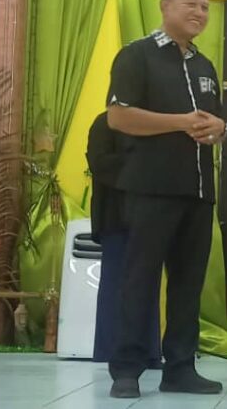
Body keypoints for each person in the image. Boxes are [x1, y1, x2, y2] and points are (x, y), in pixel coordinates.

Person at [104, 0, 226, 399]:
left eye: (205, 7)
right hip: (152, 189)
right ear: (164, 6)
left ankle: (180, 368)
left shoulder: (205, 65)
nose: (200, 13)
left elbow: (211, 122)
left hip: (198, 191)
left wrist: (219, 129)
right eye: (191, 4)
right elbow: (118, 117)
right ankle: (127, 369)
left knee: (188, 285)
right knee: (140, 280)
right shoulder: (136, 56)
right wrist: (181, 122)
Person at [86, 112, 162, 368]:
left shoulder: (153, 124)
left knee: (149, 285)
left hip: (149, 216)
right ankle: (110, 351)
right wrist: (140, 164)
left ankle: (149, 352)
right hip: (115, 217)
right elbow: (99, 163)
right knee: (115, 283)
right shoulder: (104, 123)